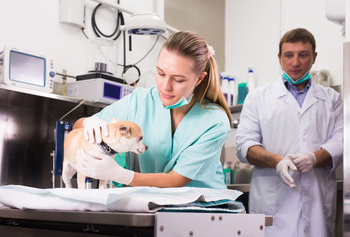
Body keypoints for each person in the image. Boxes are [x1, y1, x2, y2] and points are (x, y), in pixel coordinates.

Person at [74, 31, 232, 189]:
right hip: (158, 202)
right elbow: (78, 128)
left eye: (178, 79)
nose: (165, 86)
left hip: (204, 207)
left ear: (199, 78)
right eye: (161, 73)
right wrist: (89, 122)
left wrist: (119, 174)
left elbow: (176, 180)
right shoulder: (140, 101)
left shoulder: (214, 121)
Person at [236, 28, 343, 236]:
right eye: (289, 55)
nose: (295, 62)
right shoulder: (258, 98)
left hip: (317, 202)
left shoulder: (332, 99)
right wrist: (277, 161)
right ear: (279, 58)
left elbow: (343, 140)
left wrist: (314, 157)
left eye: (303, 55)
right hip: (273, 207)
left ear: (314, 57)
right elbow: (245, 146)